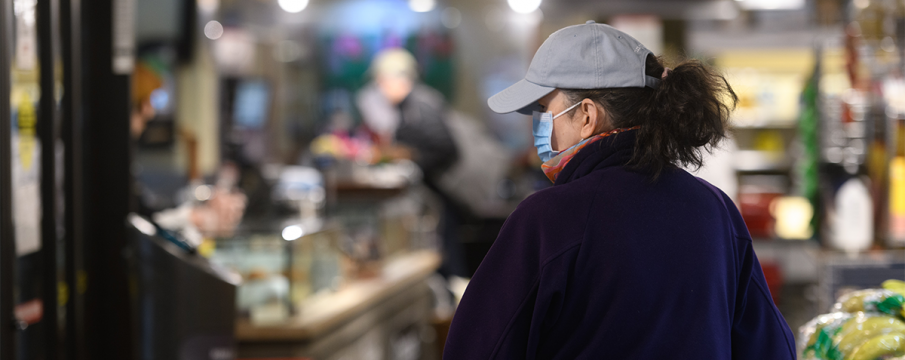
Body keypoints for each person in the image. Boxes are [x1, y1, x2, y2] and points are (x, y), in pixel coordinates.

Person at [443, 21, 796, 359]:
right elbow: (773, 347)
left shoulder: (547, 220)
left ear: (585, 115)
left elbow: (477, 349)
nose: (538, 127)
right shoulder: (716, 209)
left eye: (542, 109)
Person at [356, 48, 468, 279]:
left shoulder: (421, 106)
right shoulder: (408, 107)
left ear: (400, 78)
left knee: (448, 260)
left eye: (382, 81)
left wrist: (412, 161)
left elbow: (447, 149)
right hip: (430, 196)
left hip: (442, 195)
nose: (380, 87)